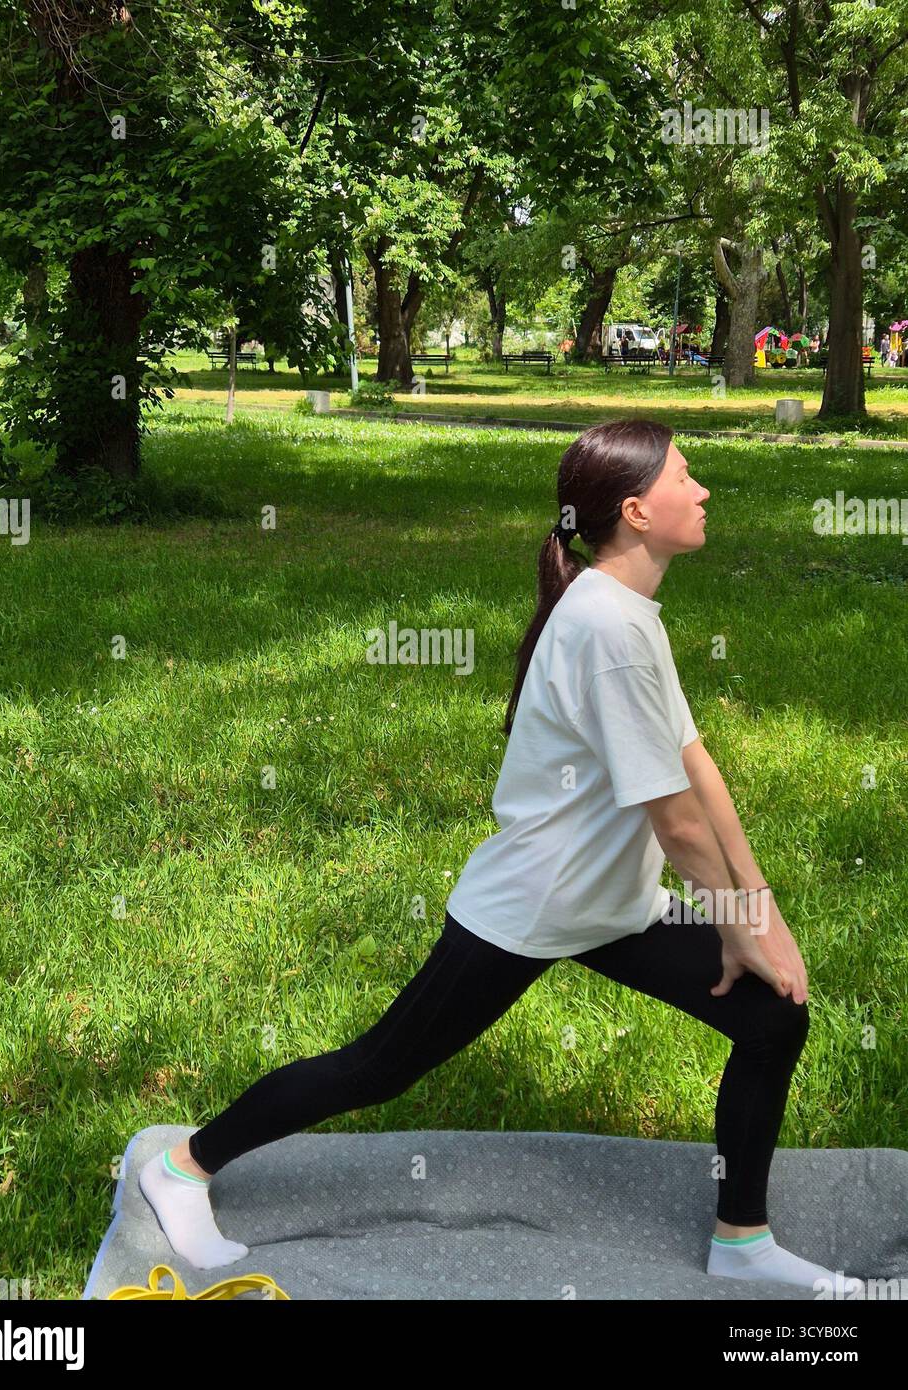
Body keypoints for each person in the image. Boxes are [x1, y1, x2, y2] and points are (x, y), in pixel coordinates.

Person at [138, 418, 865, 1297]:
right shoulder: (604, 627)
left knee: (771, 1019)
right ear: (635, 511)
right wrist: (737, 924)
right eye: (686, 475)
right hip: (533, 906)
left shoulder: (627, 612)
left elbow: (694, 764)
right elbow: (675, 824)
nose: (703, 490)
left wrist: (759, 910)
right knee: (380, 1068)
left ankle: (740, 1241)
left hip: (609, 907)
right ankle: (184, 1167)